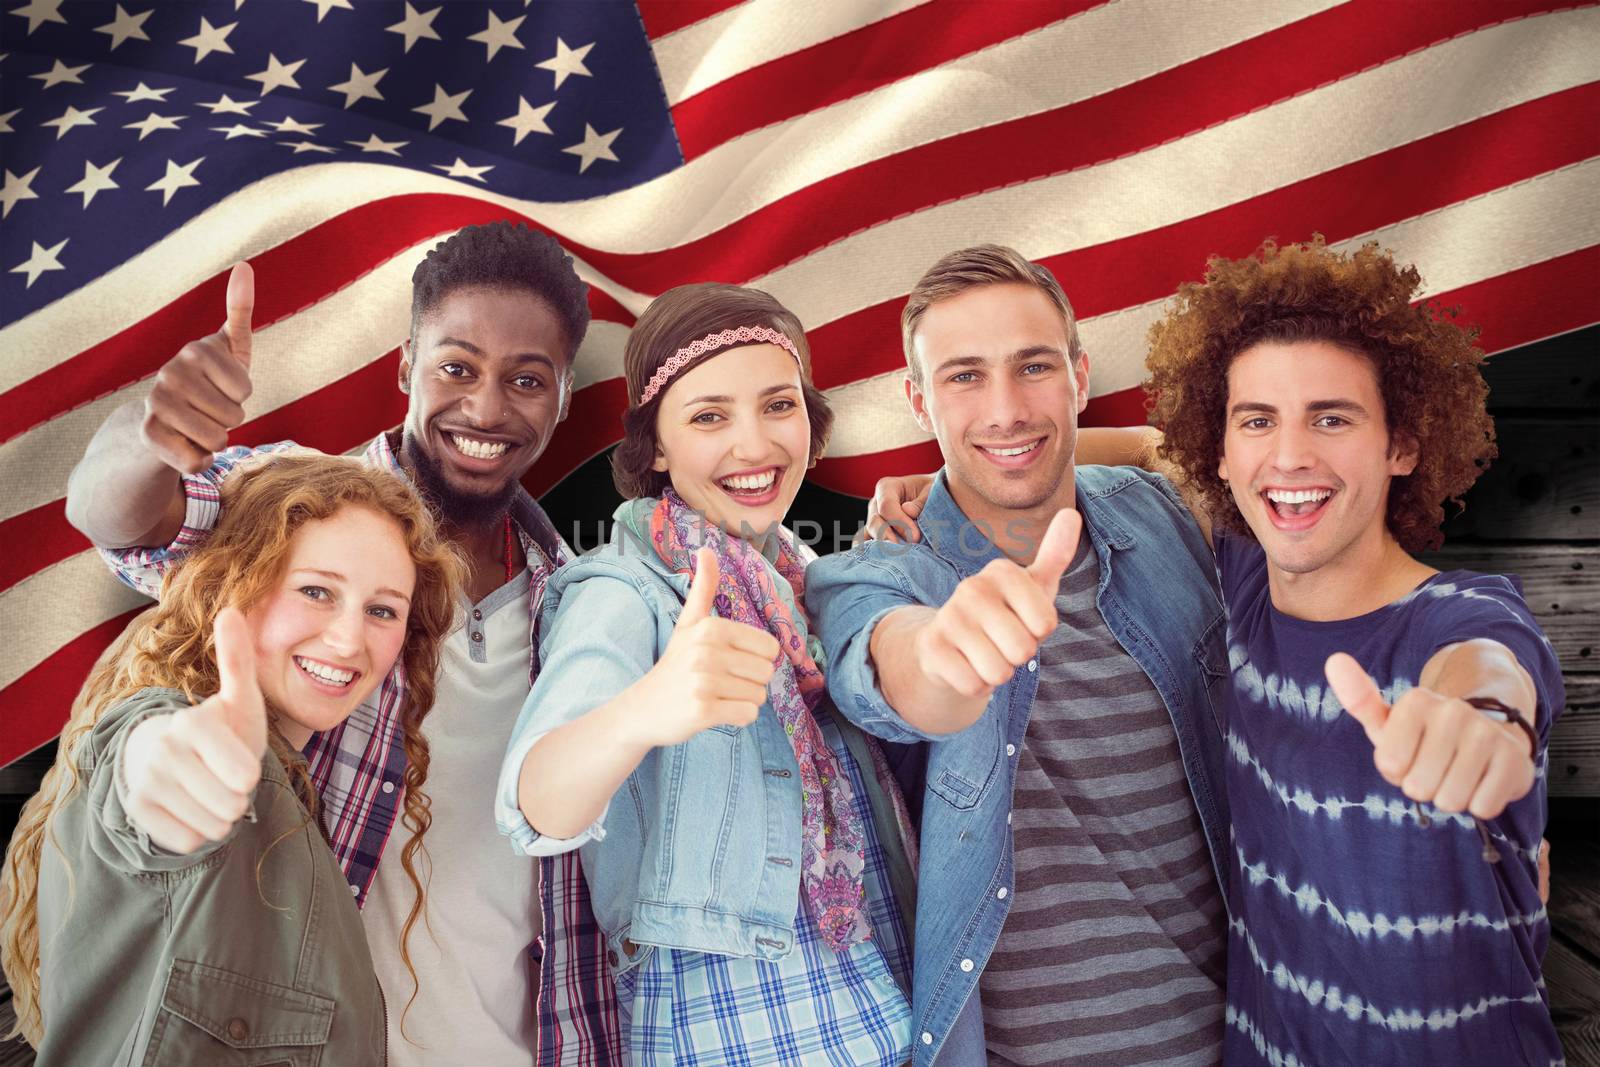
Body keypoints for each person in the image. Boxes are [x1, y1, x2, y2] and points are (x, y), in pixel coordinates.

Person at [61, 222, 621, 1064]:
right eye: (457, 367)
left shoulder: (582, 604)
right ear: (405, 366)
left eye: (527, 379)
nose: (487, 407)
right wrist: (149, 435)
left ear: (565, 396)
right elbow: (120, 518)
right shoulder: (299, 504)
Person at [806, 245, 1233, 1066]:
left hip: (1238, 1040)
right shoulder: (876, 575)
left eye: (1032, 366)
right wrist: (944, 658)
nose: (1004, 407)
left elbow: (1176, 449)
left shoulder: (1163, 515)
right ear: (918, 401)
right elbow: (889, 667)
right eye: (963, 376)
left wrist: (1052, 445)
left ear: (1079, 375)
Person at [1139, 238, 1562, 1065]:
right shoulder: (1246, 577)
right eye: (1257, 420)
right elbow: (1148, 447)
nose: (1289, 455)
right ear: (1221, 454)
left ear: (1402, 445)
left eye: (1331, 417)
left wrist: (1477, 722)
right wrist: (944, 478)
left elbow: (1490, 670)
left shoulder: (1462, 616)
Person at [495, 283, 920, 1066]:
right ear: (655, 447)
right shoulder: (621, 592)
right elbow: (534, 804)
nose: (754, 445)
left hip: (881, 999)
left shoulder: (811, 581)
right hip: (733, 1027)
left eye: (778, 405)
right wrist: (647, 709)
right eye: (709, 416)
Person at [0, 453, 462, 1063]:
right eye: (316, 591)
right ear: (234, 586)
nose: (350, 640)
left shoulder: (292, 788)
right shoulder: (171, 725)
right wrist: (170, 774)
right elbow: (148, 769)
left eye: (382, 610)